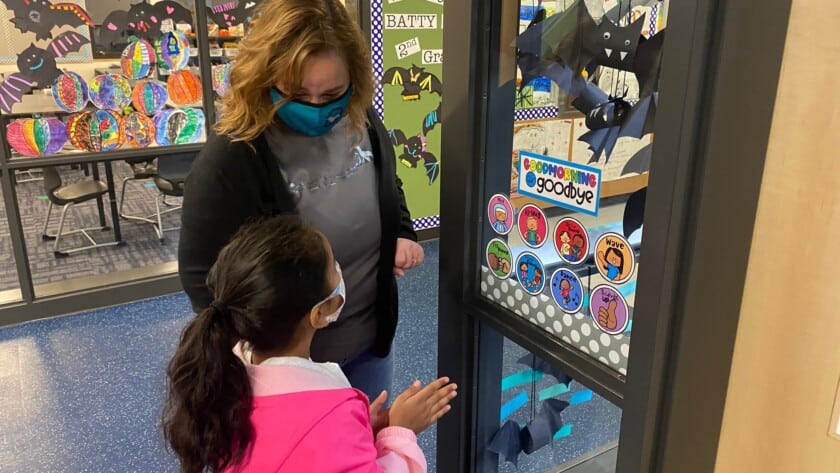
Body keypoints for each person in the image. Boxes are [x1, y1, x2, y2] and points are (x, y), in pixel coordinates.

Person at [177, 0, 424, 400]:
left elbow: (388, 185)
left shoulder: (363, 121)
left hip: (367, 345)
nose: (315, 107)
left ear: (354, 81)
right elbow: (199, 275)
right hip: (286, 373)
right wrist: (257, 356)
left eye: (332, 93)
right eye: (295, 93)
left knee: (365, 453)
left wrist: (401, 231)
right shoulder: (234, 156)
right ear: (264, 79)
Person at [164, 215, 457, 473]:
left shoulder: (225, 379)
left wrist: (358, 435)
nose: (340, 274)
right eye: (334, 268)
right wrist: (399, 433)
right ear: (319, 313)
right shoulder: (330, 414)